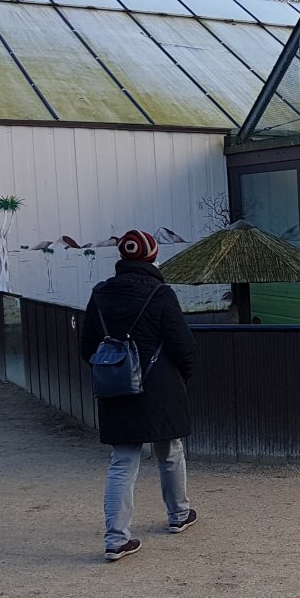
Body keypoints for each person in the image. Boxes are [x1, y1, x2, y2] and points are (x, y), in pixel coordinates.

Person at [79, 229, 197, 561]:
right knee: (170, 448)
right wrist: (180, 377)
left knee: (123, 462)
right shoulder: (161, 293)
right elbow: (182, 345)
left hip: (116, 386)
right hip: (159, 385)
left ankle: (116, 539)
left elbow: (88, 347)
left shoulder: (100, 293)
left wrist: (112, 370)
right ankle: (178, 515)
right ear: (151, 256)